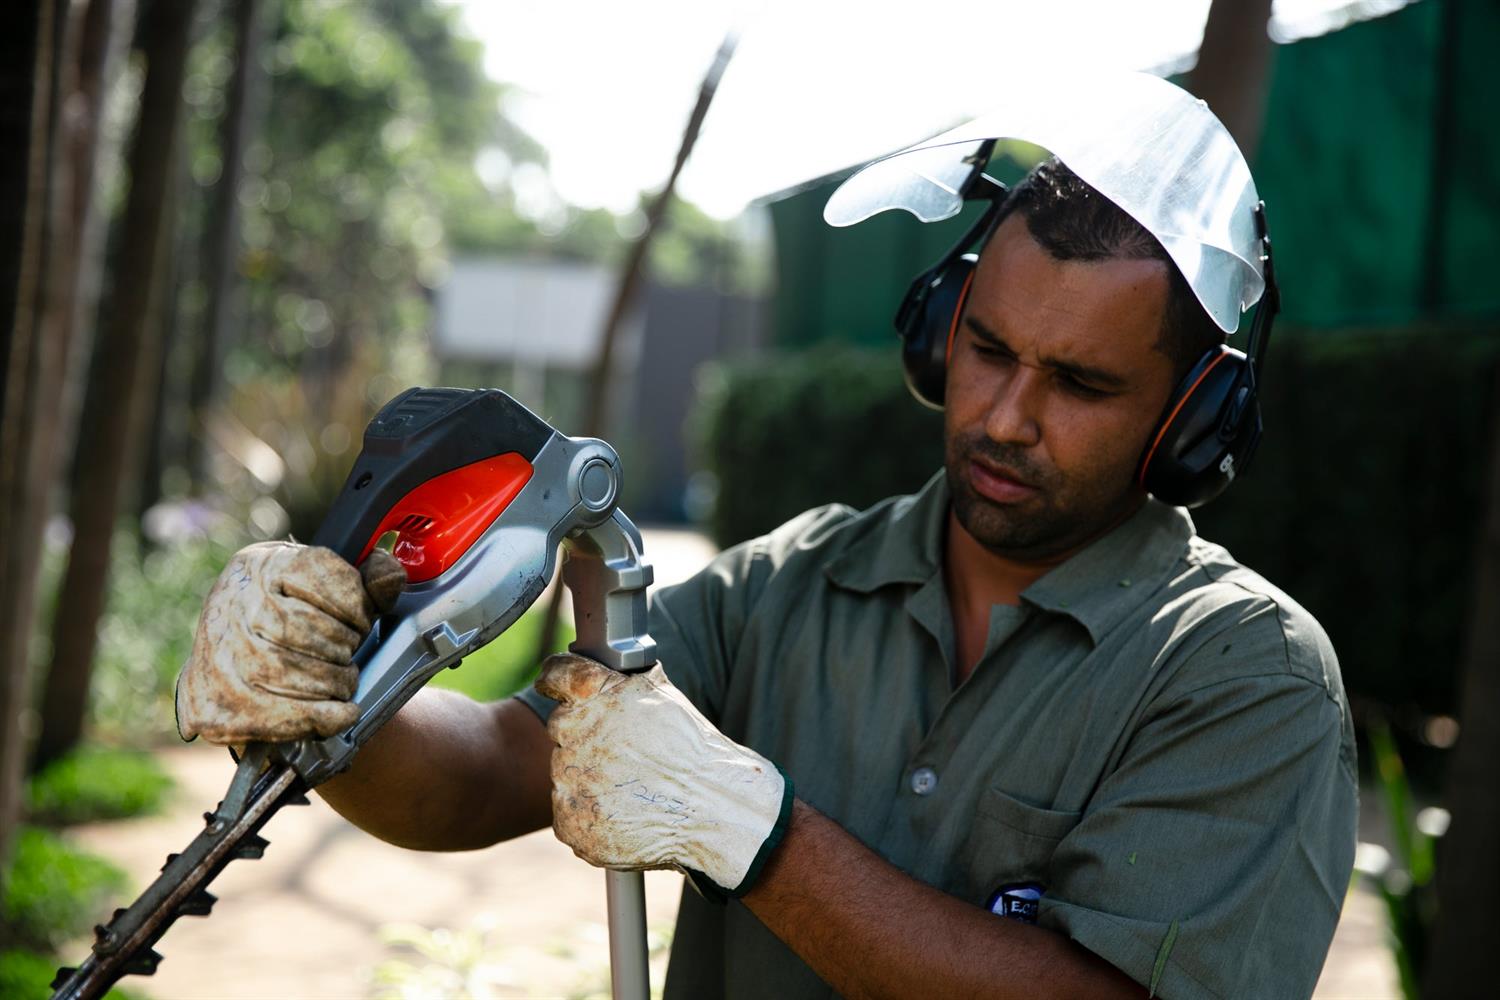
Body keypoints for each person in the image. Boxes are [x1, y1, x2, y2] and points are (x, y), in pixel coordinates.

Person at [176, 84, 1358, 999]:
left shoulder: (1246, 676)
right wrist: (335, 699)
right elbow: (491, 770)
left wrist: (754, 831)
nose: (1005, 415)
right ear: (938, 328)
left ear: (1191, 419)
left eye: (1082, 383)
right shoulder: (793, 584)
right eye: (989, 348)